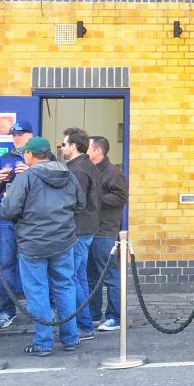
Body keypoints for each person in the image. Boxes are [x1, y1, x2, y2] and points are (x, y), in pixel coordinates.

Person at [0, 136, 85, 356]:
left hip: (33, 244)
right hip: (64, 241)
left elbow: (8, 212)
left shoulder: (26, 177)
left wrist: (7, 200)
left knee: (37, 291)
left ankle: (43, 343)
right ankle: (71, 339)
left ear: (29, 154)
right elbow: (80, 205)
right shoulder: (69, 175)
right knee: (65, 287)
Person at [0, 119, 33, 329]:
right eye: (13, 135)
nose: (16, 138)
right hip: (7, 219)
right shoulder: (4, 158)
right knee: (6, 265)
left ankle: (40, 309)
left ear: (30, 135)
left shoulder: (42, 157)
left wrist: (31, 172)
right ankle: (7, 311)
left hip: (32, 220)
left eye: (20, 134)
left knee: (35, 264)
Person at [61, 128, 102, 341]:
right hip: (87, 228)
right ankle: (85, 323)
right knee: (80, 277)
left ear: (73, 146)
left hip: (79, 228)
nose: (62, 148)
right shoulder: (88, 166)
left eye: (64, 144)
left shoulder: (78, 170)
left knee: (72, 277)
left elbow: (77, 202)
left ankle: (84, 325)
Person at [86, 135, 127, 333]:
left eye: (88, 148)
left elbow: (121, 197)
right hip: (90, 230)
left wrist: (95, 198)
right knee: (91, 276)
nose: (85, 150)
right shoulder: (90, 171)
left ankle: (114, 316)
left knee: (110, 275)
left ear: (98, 151)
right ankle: (94, 315)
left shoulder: (113, 172)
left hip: (106, 231)